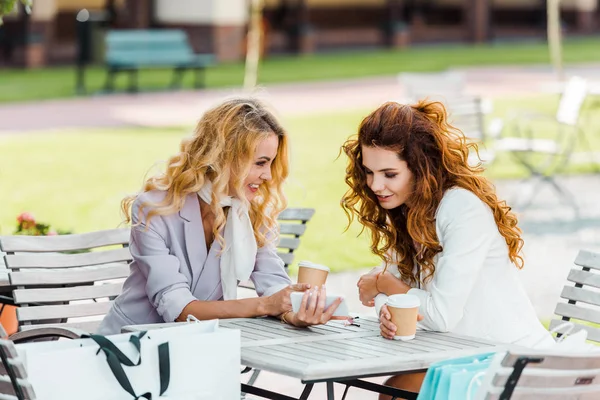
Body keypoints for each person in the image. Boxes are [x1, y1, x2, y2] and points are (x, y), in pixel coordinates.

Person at [340, 100, 553, 398]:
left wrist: (383, 285)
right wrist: (386, 309)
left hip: (512, 362)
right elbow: (396, 297)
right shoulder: (406, 212)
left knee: (398, 390)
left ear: (419, 166)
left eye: (389, 174)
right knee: (393, 388)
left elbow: (439, 314)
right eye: (368, 172)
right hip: (460, 353)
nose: (375, 185)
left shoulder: (460, 208)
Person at [98, 97, 341, 335]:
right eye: (260, 163)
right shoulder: (154, 209)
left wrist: (296, 312)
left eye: (271, 163)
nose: (268, 175)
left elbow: (273, 283)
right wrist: (266, 306)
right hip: (129, 345)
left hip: (196, 347)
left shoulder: (250, 212)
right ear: (224, 157)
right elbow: (179, 308)